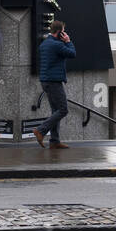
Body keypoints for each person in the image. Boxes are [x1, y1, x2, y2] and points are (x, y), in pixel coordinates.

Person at [32, 20, 75, 149]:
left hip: (46, 81)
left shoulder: (45, 44)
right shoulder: (56, 45)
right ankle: (40, 130)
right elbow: (72, 54)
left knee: (55, 111)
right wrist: (68, 41)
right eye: (63, 32)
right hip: (53, 82)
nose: (64, 34)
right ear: (59, 32)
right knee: (63, 110)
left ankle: (54, 141)